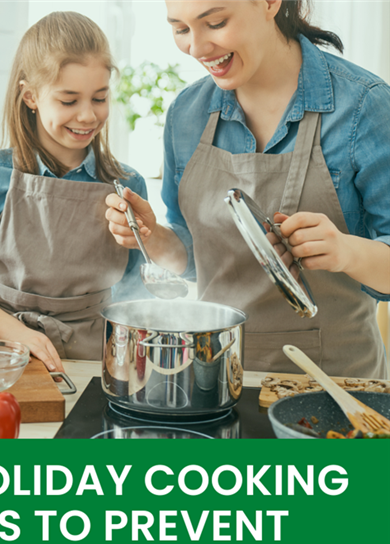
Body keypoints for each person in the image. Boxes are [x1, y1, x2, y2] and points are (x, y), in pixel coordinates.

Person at [105, 0, 389, 378]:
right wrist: (152, 237)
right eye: (181, 29)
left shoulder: (363, 106)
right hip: (213, 378)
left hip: (331, 385)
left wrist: (346, 251)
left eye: (216, 23)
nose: (197, 48)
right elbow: (193, 255)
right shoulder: (186, 114)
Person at [0, 11, 149, 372]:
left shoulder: (127, 184)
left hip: (103, 355)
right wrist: (17, 333)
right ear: (31, 96)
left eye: (99, 98)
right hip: (8, 352)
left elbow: (137, 287)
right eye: (69, 101)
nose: (87, 116)